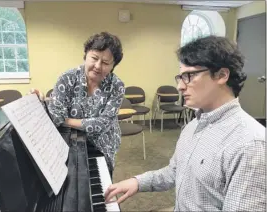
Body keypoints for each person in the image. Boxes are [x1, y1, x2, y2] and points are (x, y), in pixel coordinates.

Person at [105, 35, 266, 211]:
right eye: (180, 77)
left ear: (222, 75)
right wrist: (137, 181)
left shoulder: (250, 145)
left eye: (189, 76)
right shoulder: (192, 125)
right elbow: (174, 172)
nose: (180, 87)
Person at [33, 32, 125, 177]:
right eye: (94, 58)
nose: (98, 66)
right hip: (70, 144)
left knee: (102, 187)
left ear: (113, 66)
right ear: (86, 55)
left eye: (106, 63)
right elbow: (56, 116)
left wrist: (65, 120)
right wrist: (44, 103)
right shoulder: (67, 78)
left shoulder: (117, 85)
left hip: (103, 146)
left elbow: (101, 125)